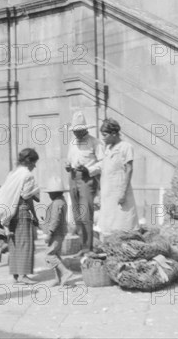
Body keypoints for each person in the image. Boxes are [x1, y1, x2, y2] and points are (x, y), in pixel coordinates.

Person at [0, 148, 40, 285]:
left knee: (14, 243)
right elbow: (27, 197)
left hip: (10, 211)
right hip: (22, 211)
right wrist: (34, 216)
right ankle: (23, 275)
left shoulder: (13, 173)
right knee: (25, 243)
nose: (34, 166)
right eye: (34, 163)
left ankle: (15, 274)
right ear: (29, 161)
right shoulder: (27, 175)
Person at [65, 111, 103, 255]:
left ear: (85, 129)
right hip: (73, 177)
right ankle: (83, 246)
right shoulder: (72, 142)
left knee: (86, 214)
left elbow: (103, 163)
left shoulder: (95, 142)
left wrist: (88, 169)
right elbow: (70, 160)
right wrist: (68, 166)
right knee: (77, 215)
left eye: (79, 131)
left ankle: (89, 248)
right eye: (74, 131)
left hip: (87, 179)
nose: (76, 134)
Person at [98, 118, 139, 235]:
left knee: (123, 226)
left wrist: (123, 192)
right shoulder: (107, 149)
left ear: (114, 134)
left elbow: (129, 169)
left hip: (119, 193)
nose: (103, 138)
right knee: (109, 226)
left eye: (105, 135)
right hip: (108, 193)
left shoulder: (125, 147)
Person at [43, 176, 73, 287]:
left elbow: (55, 220)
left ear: (55, 193)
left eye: (50, 193)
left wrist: (49, 233)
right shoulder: (62, 201)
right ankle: (59, 278)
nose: (49, 195)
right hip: (60, 232)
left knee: (50, 255)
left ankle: (65, 272)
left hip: (56, 233)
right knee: (56, 255)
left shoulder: (56, 203)